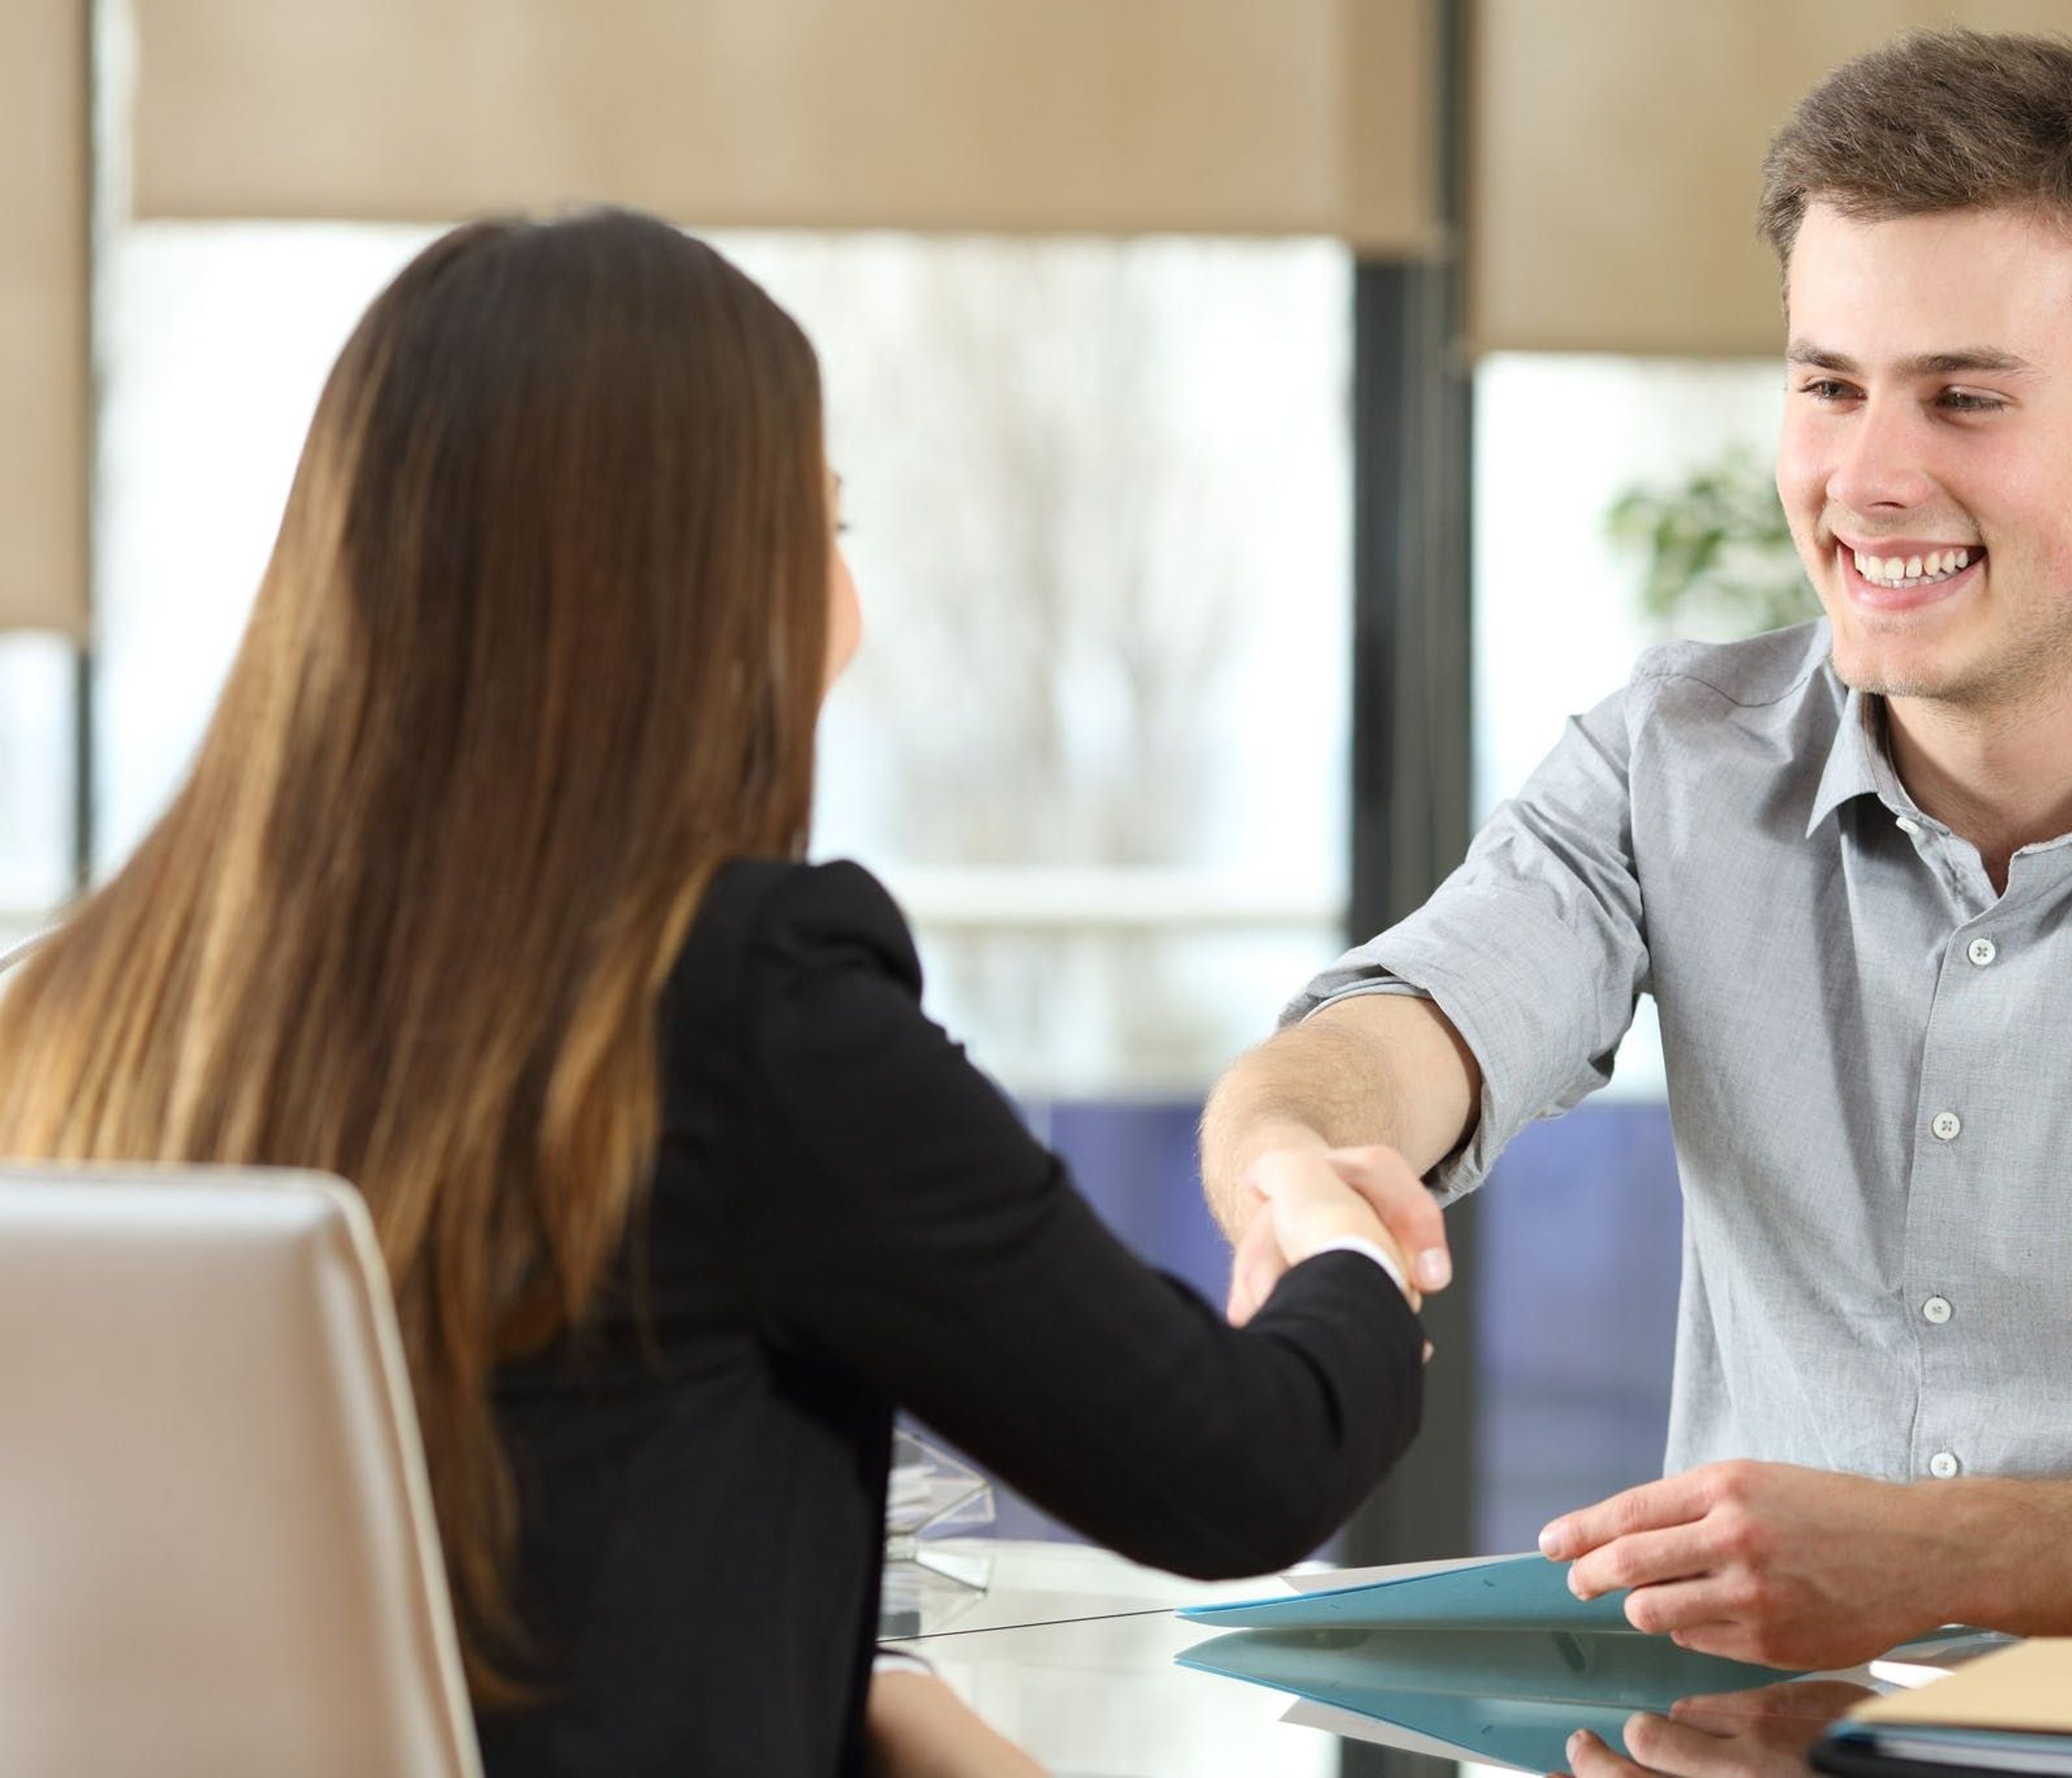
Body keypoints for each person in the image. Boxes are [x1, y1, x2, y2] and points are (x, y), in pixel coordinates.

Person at [1201, 27, 2072, 1681]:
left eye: (1961, 397)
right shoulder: (1674, 755)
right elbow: (1408, 1027)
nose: (1864, 480)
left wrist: (1931, 1562)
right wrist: (1300, 1150)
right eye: (1826, 385)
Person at [0, 208, 1433, 1778]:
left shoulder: (75, 1011)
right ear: (691, 593)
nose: (848, 610)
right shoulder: (742, 1010)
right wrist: (1342, 1231)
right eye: (821, 530)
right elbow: (1240, 1461)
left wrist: (854, 1696)